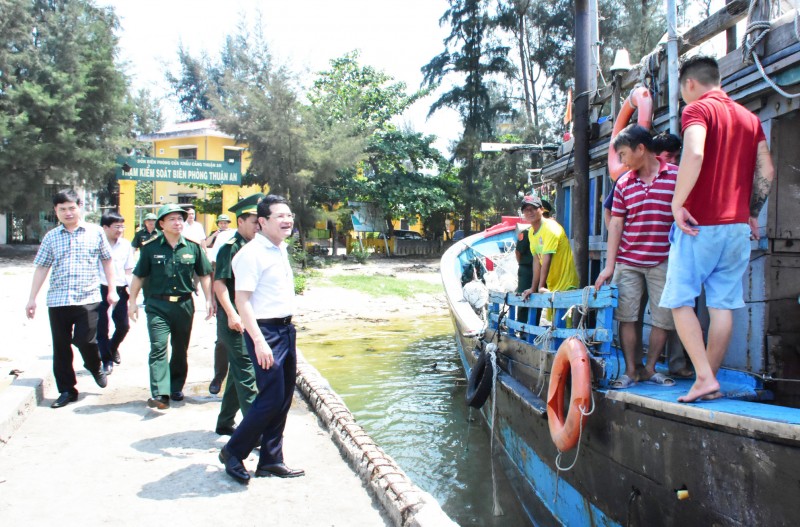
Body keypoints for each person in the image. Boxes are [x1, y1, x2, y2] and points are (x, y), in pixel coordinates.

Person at [660, 55, 774, 402]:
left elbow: (693, 152)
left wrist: (677, 203)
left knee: (680, 300)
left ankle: (705, 377)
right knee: (722, 304)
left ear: (690, 84)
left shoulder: (697, 110)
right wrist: (752, 212)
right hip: (738, 227)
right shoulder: (750, 119)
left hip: (700, 224)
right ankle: (707, 381)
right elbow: (766, 171)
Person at [219, 194, 304, 483]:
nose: (287, 220)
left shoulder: (279, 249)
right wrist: (258, 340)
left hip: (285, 330)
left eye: (289, 215)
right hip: (265, 332)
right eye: (280, 216)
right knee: (269, 399)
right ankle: (233, 450)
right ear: (262, 221)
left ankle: (270, 460)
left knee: (282, 399)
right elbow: (242, 301)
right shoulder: (250, 254)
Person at [594, 125, 678, 388]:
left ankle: (650, 369)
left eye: (623, 154)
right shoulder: (623, 183)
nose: (622, 161)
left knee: (663, 319)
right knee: (627, 317)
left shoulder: (677, 176)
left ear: (641, 149)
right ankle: (632, 371)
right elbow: (616, 224)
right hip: (628, 262)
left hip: (663, 260)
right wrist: (609, 267)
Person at [25, 189, 117, 409]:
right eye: (62, 209)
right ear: (56, 211)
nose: (67, 213)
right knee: (61, 347)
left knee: (86, 340)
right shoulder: (51, 237)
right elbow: (42, 267)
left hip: (88, 298)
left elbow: (107, 261)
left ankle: (94, 366)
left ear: (79, 207)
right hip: (58, 300)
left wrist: (112, 289)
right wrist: (32, 298)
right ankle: (67, 390)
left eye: (71, 208)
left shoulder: (95, 232)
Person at [128, 203, 214, 409]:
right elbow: (139, 276)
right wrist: (132, 302)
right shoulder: (150, 248)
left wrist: (209, 299)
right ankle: (160, 393)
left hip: (184, 305)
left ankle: (176, 386)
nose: (178, 223)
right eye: (172, 219)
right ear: (162, 224)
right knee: (158, 347)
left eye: (180, 219)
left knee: (179, 348)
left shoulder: (193, 247)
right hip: (157, 304)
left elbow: (204, 274)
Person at [213, 195, 263, 436]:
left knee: (238, 371)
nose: (258, 226)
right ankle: (254, 432)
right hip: (234, 320)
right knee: (247, 373)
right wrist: (232, 314)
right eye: (255, 221)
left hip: (252, 317)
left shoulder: (257, 247)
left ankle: (225, 422)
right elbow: (219, 284)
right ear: (241, 221)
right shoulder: (230, 248)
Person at [520, 196, 579, 320]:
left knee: (564, 324)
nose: (530, 212)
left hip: (565, 284)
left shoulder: (550, 228)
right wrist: (533, 288)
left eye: (533, 209)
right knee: (554, 324)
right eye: (526, 210)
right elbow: (537, 260)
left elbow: (547, 258)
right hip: (552, 286)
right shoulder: (531, 232)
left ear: (541, 209)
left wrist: (541, 286)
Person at [97, 212, 135, 375]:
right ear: (105, 227)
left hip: (120, 288)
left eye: (122, 226)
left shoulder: (126, 245)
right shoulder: (96, 244)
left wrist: (133, 293)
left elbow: (129, 270)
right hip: (99, 288)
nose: (120, 229)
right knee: (101, 326)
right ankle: (106, 360)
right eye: (116, 226)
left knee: (123, 325)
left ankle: (112, 348)